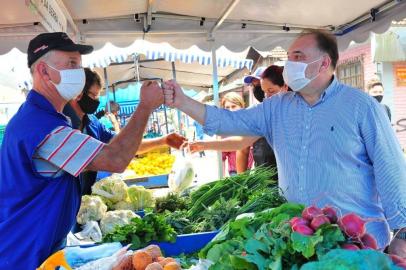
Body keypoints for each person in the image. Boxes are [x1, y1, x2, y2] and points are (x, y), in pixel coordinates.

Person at [164, 29, 406, 255]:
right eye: (289, 57)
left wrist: (403, 232)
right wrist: (183, 102)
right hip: (303, 244)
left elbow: (391, 169)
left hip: (359, 245)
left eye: (298, 57)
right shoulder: (276, 108)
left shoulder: (361, 107)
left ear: (323, 63)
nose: (289, 64)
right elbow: (226, 121)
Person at [0, 32, 167, 269]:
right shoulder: (40, 128)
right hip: (24, 255)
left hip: (35, 250)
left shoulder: (45, 119)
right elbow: (116, 158)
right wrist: (145, 106)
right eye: (71, 64)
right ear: (44, 71)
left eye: (79, 65)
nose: (79, 73)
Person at [63, 68, 186, 196]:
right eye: (93, 96)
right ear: (78, 94)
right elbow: (116, 160)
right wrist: (145, 106)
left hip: (86, 197)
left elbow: (126, 146)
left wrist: (163, 140)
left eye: (98, 96)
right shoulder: (61, 125)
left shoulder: (93, 122)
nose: (96, 101)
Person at [188, 65, 288, 172]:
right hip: (271, 182)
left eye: (271, 90)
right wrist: (204, 145)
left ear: (285, 86)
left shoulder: (298, 110)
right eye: (263, 91)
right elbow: (241, 142)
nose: (266, 97)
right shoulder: (265, 115)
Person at [190, 92, 254, 175]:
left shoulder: (251, 124)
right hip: (236, 173)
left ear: (242, 106)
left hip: (255, 170)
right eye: (227, 107)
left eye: (233, 106)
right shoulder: (224, 131)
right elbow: (222, 158)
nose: (230, 110)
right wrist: (222, 178)